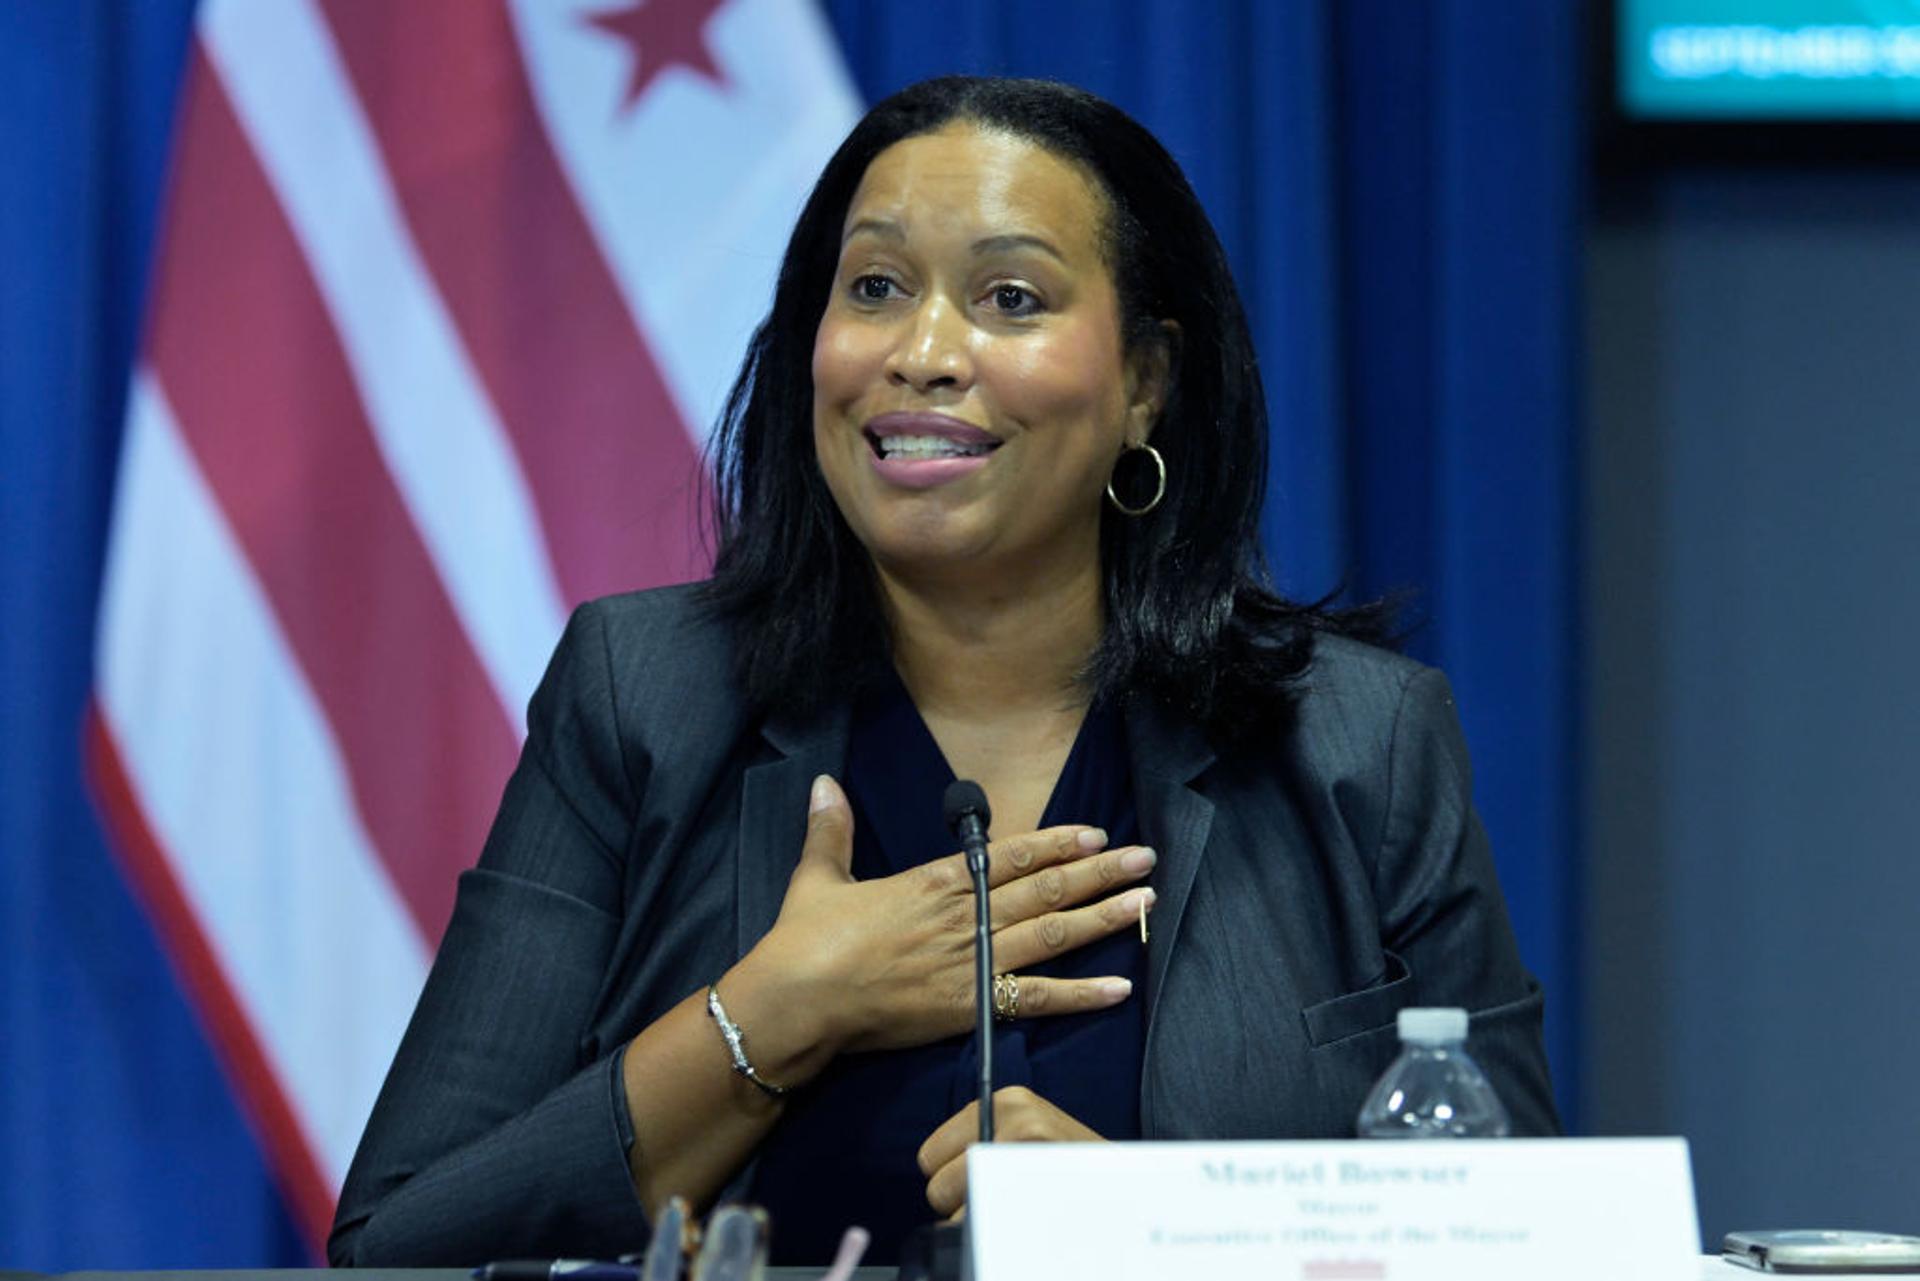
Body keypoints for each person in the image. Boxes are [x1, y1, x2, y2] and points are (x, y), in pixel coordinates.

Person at [328, 76, 1557, 1268]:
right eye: (875, 288)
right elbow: (401, 1244)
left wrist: (1156, 1235)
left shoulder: (1356, 742)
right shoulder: (642, 696)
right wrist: (777, 1014)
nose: (922, 352)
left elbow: (1528, 1246)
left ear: (1146, 383)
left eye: (1010, 298)